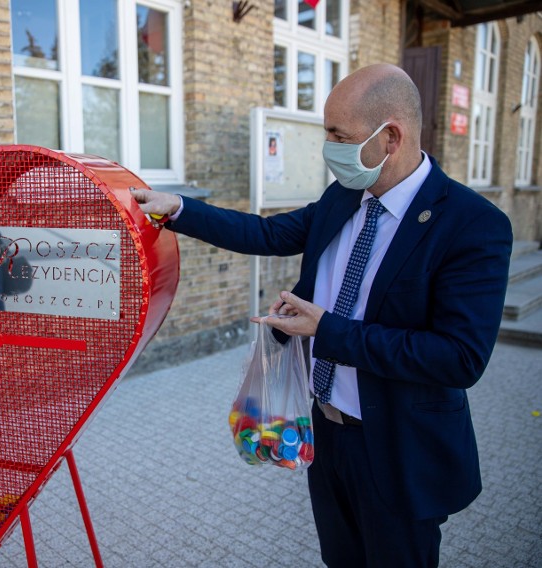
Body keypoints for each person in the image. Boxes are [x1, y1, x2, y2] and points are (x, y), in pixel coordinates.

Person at [130, 63, 512, 567]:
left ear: (391, 137)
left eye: (338, 135)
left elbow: (460, 358)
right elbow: (267, 234)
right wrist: (177, 207)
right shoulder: (347, 197)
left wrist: (326, 330)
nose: (328, 146)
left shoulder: (473, 225)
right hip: (326, 435)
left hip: (399, 451)